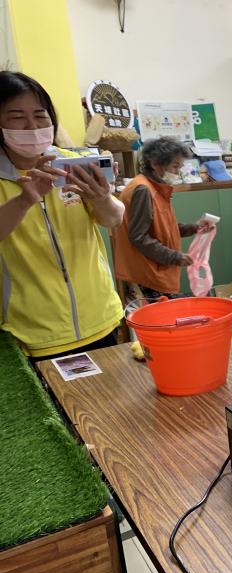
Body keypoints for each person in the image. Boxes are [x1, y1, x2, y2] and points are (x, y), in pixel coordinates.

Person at [0, 71, 124, 359]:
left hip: (102, 318)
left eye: (41, 115)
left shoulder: (72, 164)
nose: (32, 126)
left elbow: (114, 219)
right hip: (34, 336)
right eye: (17, 116)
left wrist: (103, 198)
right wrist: (25, 200)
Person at [113, 137, 206, 301]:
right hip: (148, 273)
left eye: (180, 167)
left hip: (156, 269)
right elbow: (139, 237)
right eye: (175, 167)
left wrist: (191, 228)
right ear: (155, 164)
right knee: (161, 322)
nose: (177, 173)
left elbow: (161, 228)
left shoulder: (156, 188)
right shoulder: (143, 189)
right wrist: (174, 256)